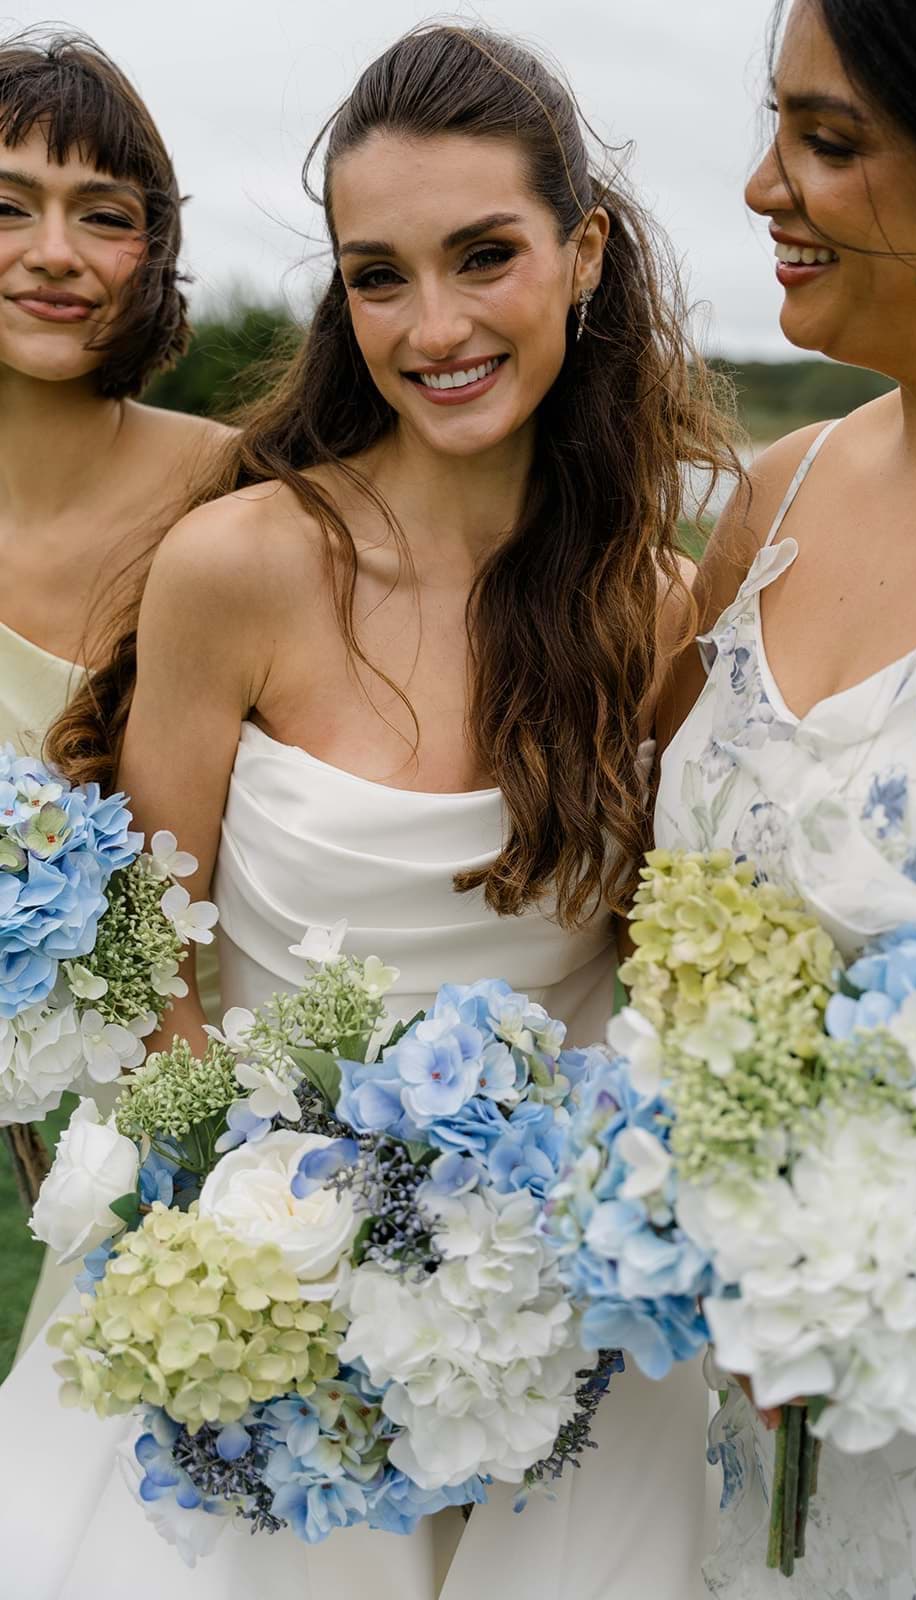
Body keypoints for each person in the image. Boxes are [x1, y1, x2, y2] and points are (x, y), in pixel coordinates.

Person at [1, 25, 734, 1599]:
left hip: (565, 1306)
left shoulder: (661, 613)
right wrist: (273, 1260)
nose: (436, 324)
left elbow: (651, 970)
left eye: (486, 257)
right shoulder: (240, 566)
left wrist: (502, 1280)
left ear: (585, 251)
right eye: (379, 275)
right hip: (247, 1257)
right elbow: (147, 963)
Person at [656, 0, 916, 1594]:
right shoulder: (780, 493)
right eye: (777, 130)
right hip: (733, 1453)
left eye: (828, 143)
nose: (764, 188)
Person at [0, 31, 229, 1355]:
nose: (53, 254)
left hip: (202, 1076)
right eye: (8, 206)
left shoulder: (241, 489)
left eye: (105, 215)